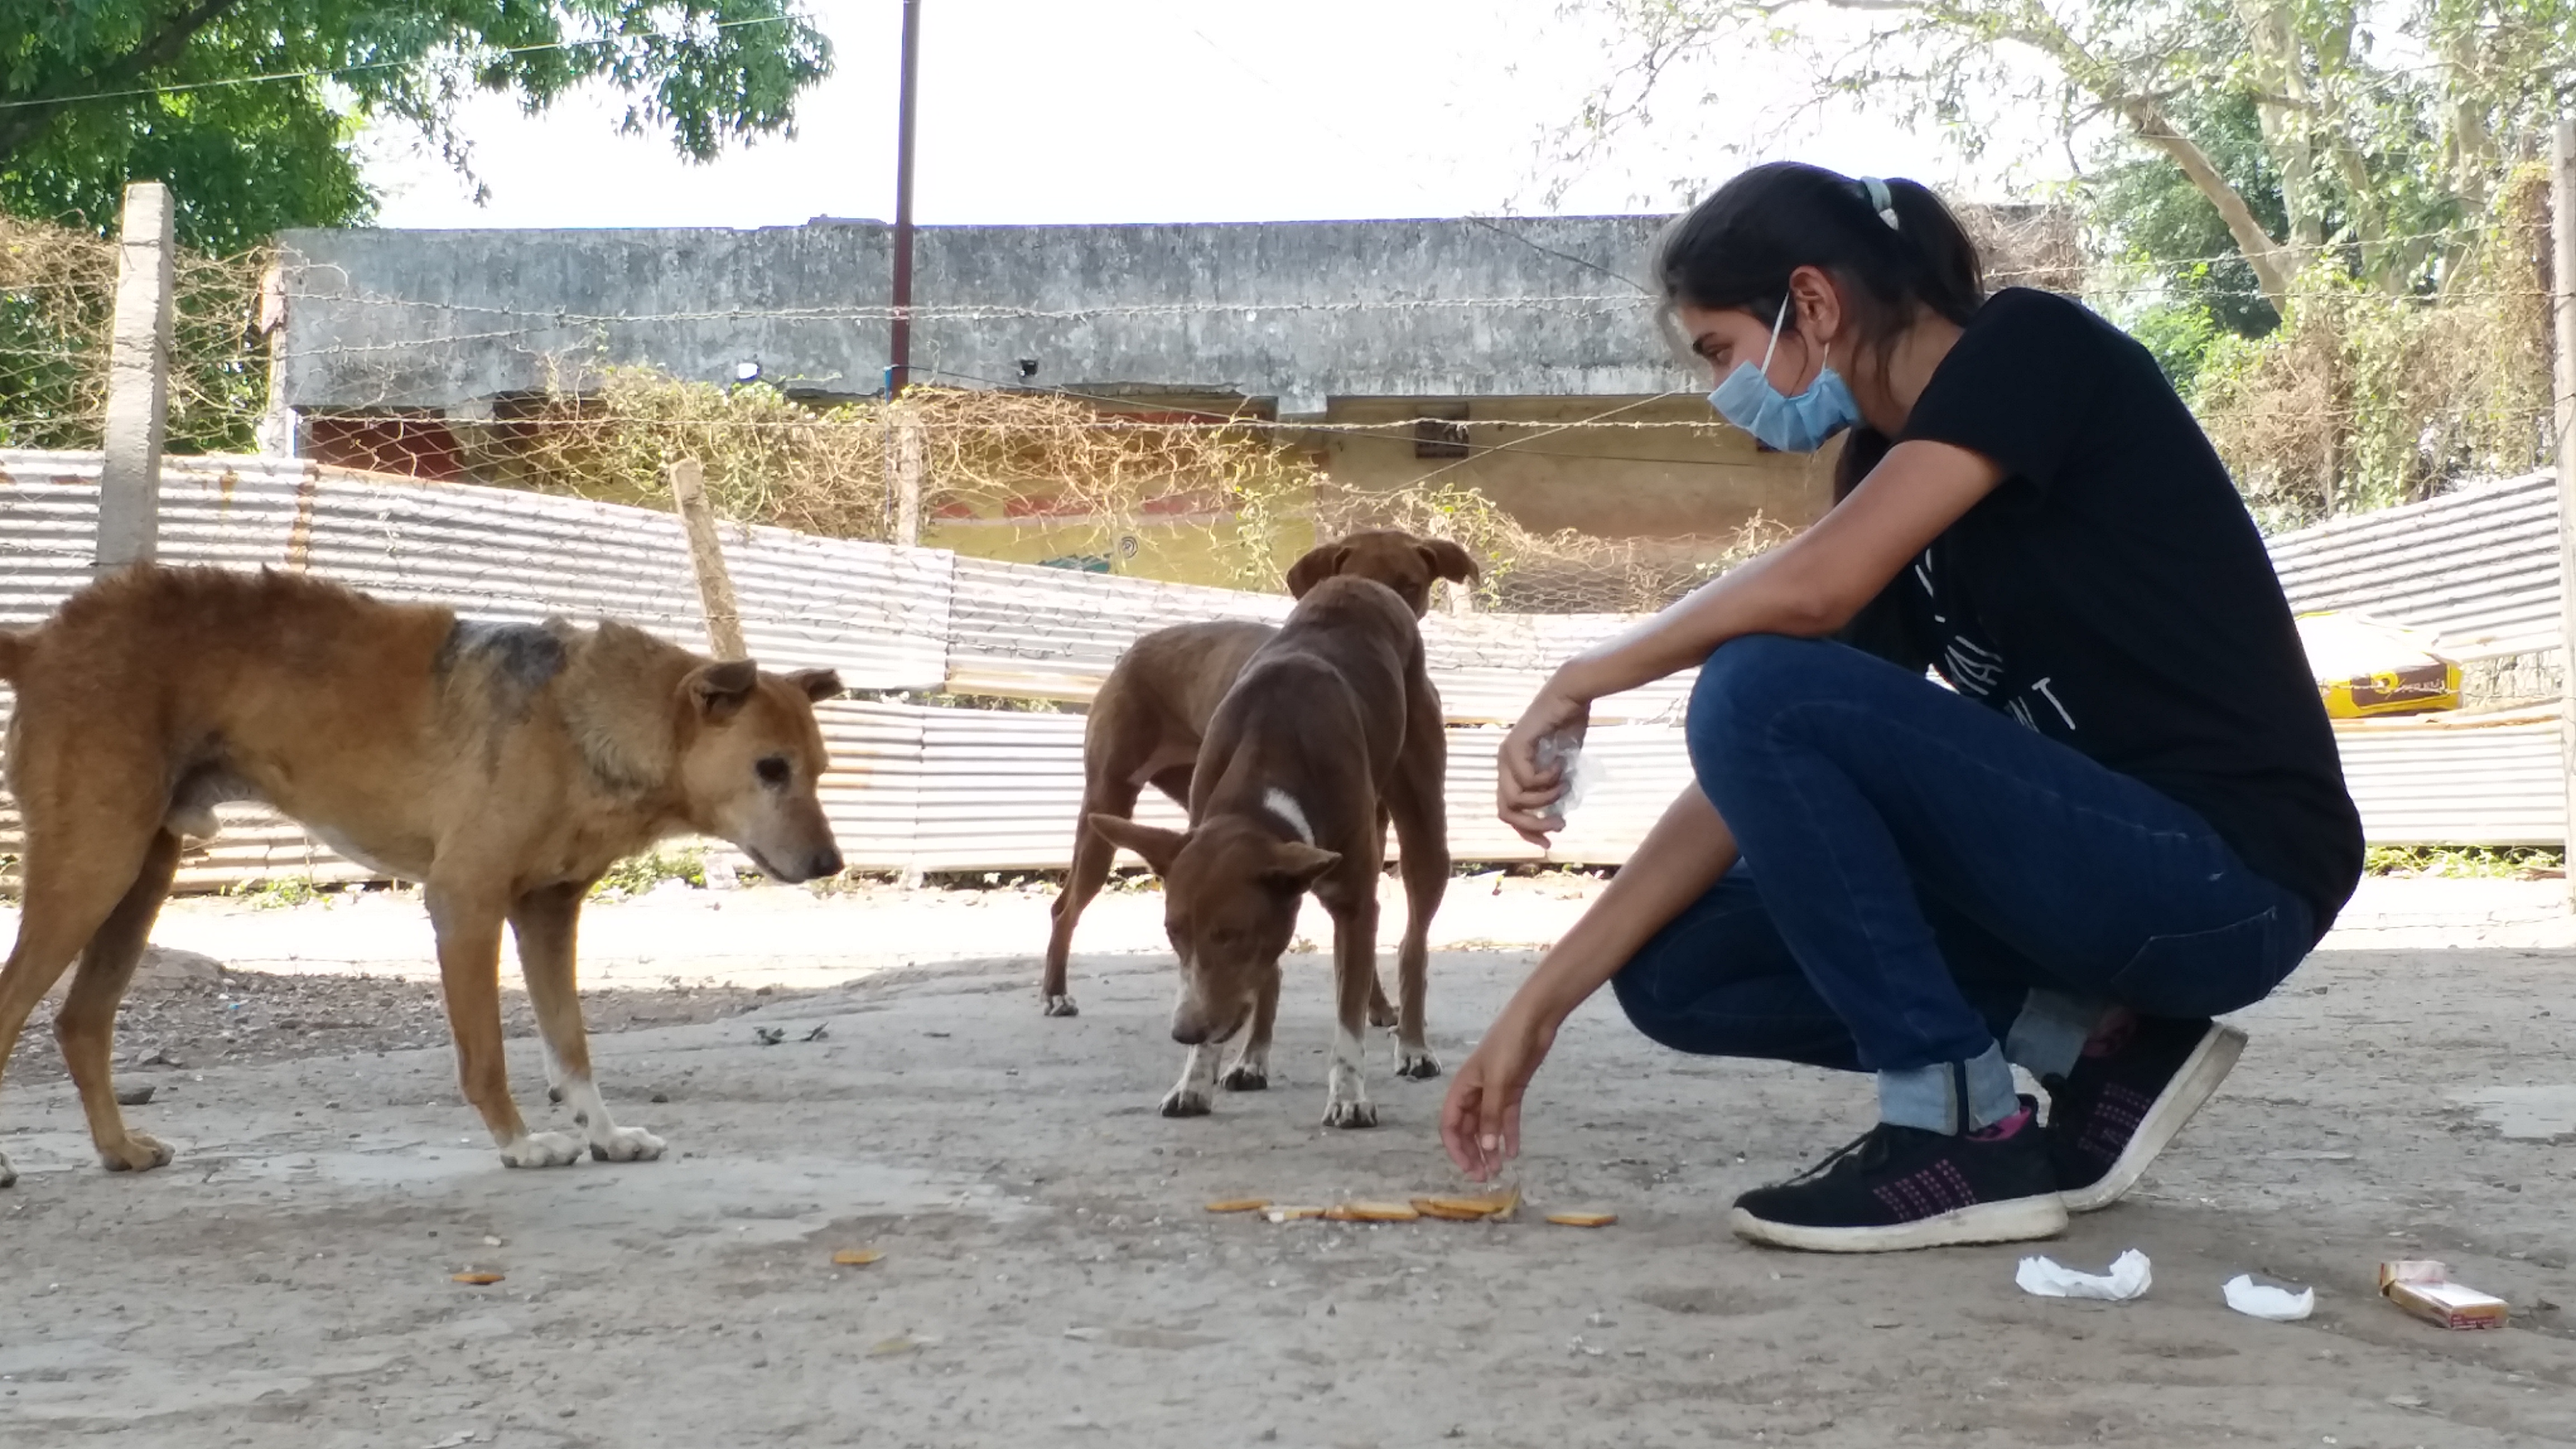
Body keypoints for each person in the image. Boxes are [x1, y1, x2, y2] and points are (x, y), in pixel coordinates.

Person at [1437, 163, 2364, 1254]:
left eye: (1720, 351)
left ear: (1812, 303)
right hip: (2093, 885)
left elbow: (1801, 615)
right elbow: (1758, 772)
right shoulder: (1883, 466)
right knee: (1682, 965)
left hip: (2228, 880)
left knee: (1757, 679)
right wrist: (1535, 1010)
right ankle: (2100, 1048)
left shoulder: (2032, 349)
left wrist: (1583, 672)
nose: (1721, 390)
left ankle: (1960, 1129)